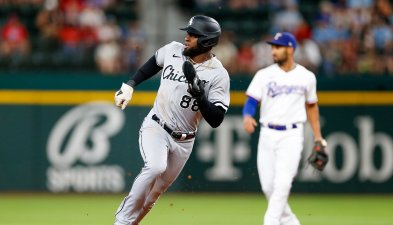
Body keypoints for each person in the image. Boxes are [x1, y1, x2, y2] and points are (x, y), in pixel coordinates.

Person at [113, 15, 230, 225]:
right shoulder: (172, 50)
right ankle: (121, 222)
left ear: (206, 41)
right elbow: (151, 65)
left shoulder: (219, 74)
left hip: (185, 141)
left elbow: (216, 119)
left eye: (194, 35)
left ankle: (131, 223)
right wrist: (130, 84)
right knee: (155, 167)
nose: (187, 37)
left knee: (155, 194)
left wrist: (200, 96)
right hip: (157, 126)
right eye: (188, 32)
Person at [242, 32, 326, 225]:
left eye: (278, 47)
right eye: (273, 47)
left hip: (292, 135)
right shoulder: (264, 75)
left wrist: (318, 137)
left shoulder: (307, 77)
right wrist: (247, 116)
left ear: (290, 49)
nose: (274, 51)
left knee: (282, 185)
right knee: (268, 188)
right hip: (267, 134)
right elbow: (251, 101)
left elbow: (312, 106)